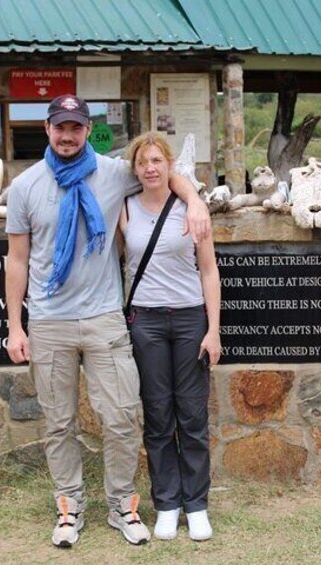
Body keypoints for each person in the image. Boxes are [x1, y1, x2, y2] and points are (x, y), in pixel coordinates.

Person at [4, 95, 210, 548]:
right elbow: (16, 259)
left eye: (76, 128)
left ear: (87, 131)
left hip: (104, 318)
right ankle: (69, 506)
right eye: (61, 127)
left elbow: (160, 172)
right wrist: (15, 327)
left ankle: (122, 504)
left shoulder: (113, 172)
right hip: (49, 320)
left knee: (120, 418)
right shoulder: (25, 187)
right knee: (59, 423)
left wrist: (193, 200)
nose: (68, 135)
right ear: (48, 128)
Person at [119, 133, 221, 541]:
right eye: (143, 161)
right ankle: (166, 503)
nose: (150, 168)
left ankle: (196, 505)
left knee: (192, 416)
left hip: (189, 319)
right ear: (135, 168)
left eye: (157, 160)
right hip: (146, 322)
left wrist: (213, 330)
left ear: (169, 165)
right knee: (158, 415)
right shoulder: (125, 209)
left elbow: (210, 271)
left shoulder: (192, 211)